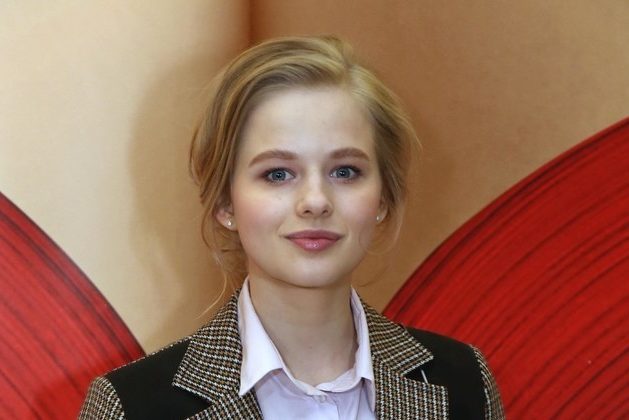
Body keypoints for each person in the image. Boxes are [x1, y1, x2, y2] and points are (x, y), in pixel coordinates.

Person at [79, 35, 504, 420]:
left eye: (345, 171)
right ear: (225, 203)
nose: (315, 201)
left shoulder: (463, 384)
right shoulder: (133, 407)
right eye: (278, 174)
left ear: (383, 198)